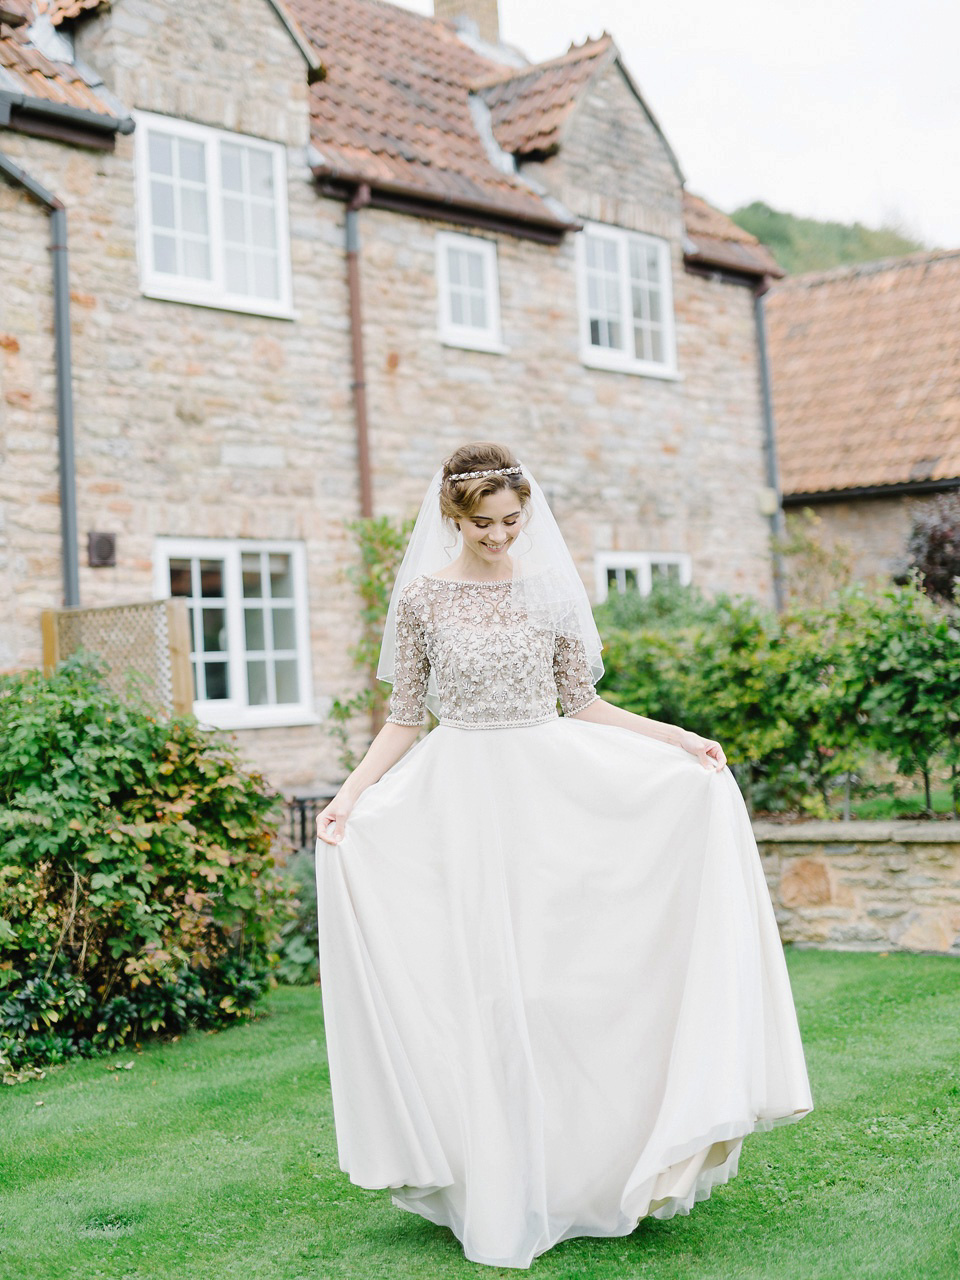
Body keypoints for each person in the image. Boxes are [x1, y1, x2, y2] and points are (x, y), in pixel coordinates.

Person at [314, 441, 813, 1270]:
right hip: (462, 803)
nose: (501, 535)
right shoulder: (422, 601)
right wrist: (350, 796)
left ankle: (586, 1174)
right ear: (453, 517)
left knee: (560, 987)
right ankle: (494, 1186)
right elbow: (406, 715)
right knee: (484, 991)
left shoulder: (550, 587)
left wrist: (679, 739)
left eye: (512, 520)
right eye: (483, 524)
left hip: (552, 796)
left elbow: (580, 702)